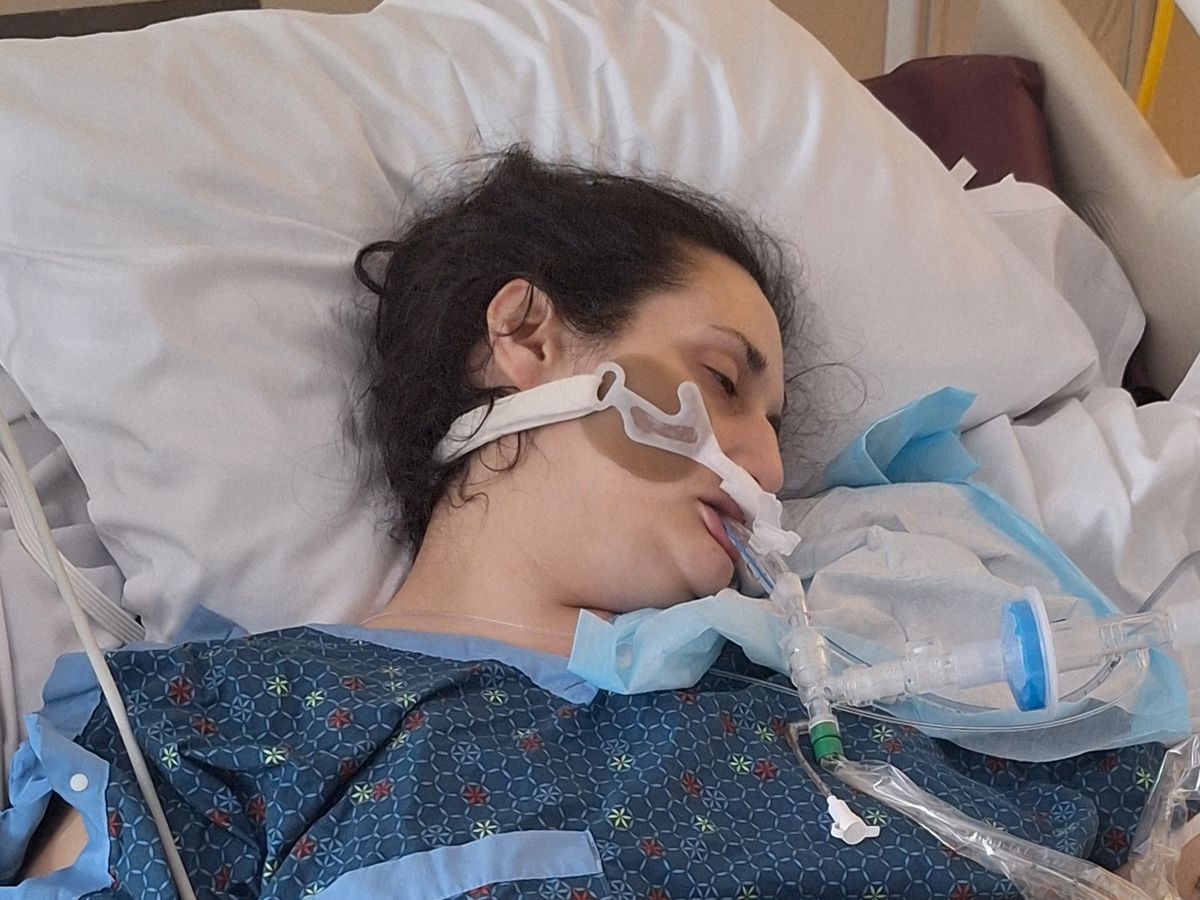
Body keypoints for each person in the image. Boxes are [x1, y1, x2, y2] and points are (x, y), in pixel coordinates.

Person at [6, 148, 1170, 897]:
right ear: (524, 337)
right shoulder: (209, 728)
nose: (767, 466)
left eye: (774, 425)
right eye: (722, 381)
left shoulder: (845, 708)